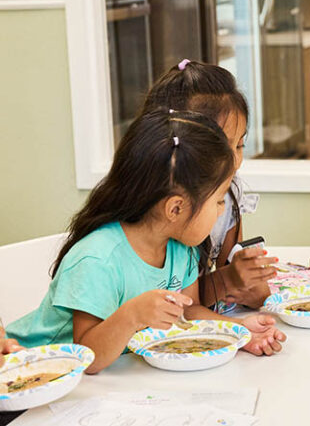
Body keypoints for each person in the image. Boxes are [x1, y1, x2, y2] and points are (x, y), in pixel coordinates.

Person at [5, 110, 285, 374]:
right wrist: (132, 316)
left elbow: (189, 312)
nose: (222, 210)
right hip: (28, 372)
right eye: (218, 200)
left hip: (108, 380)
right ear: (175, 209)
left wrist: (239, 331)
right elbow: (88, 357)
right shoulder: (98, 259)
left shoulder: (180, 248)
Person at [140, 59, 274, 312]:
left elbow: (226, 278)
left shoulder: (231, 195)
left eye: (239, 145)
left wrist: (248, 282)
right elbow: (175, 300)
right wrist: (229, 281)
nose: (233, 161)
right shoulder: (159, 209)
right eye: (223, 147)